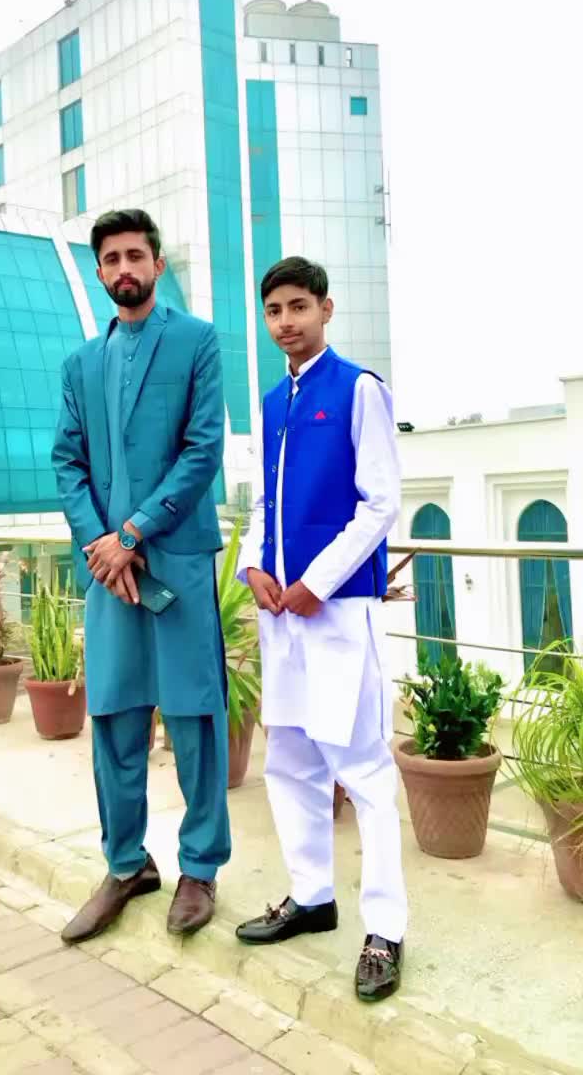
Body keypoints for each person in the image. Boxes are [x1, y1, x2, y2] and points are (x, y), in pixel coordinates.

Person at [52, 208, 230, 944]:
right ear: (99, 272)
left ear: (156, 263)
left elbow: (203, 448)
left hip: (175, 561)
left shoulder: (196, 341)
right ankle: (126, 866)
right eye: (111, 259)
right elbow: (67, 461)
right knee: (115, 718)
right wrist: (100, 542)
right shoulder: (80, 365)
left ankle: (200, 867)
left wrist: (132, 533)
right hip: (110, 575)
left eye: (135, 255)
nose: (124, 268)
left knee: (194, 717)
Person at [235, 256, 407, 1003]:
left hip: (338, 611)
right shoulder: (274, 401)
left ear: (325, 309)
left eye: (298, 306)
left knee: (363, 770)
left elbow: (381, 504)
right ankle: (311, 897)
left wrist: (318, 582)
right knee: (291, 762)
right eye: (274, 310)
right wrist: (252, 566)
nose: (286, 322)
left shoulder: (358, 388)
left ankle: (385, 930)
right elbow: (262, 503)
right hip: (282, 615)